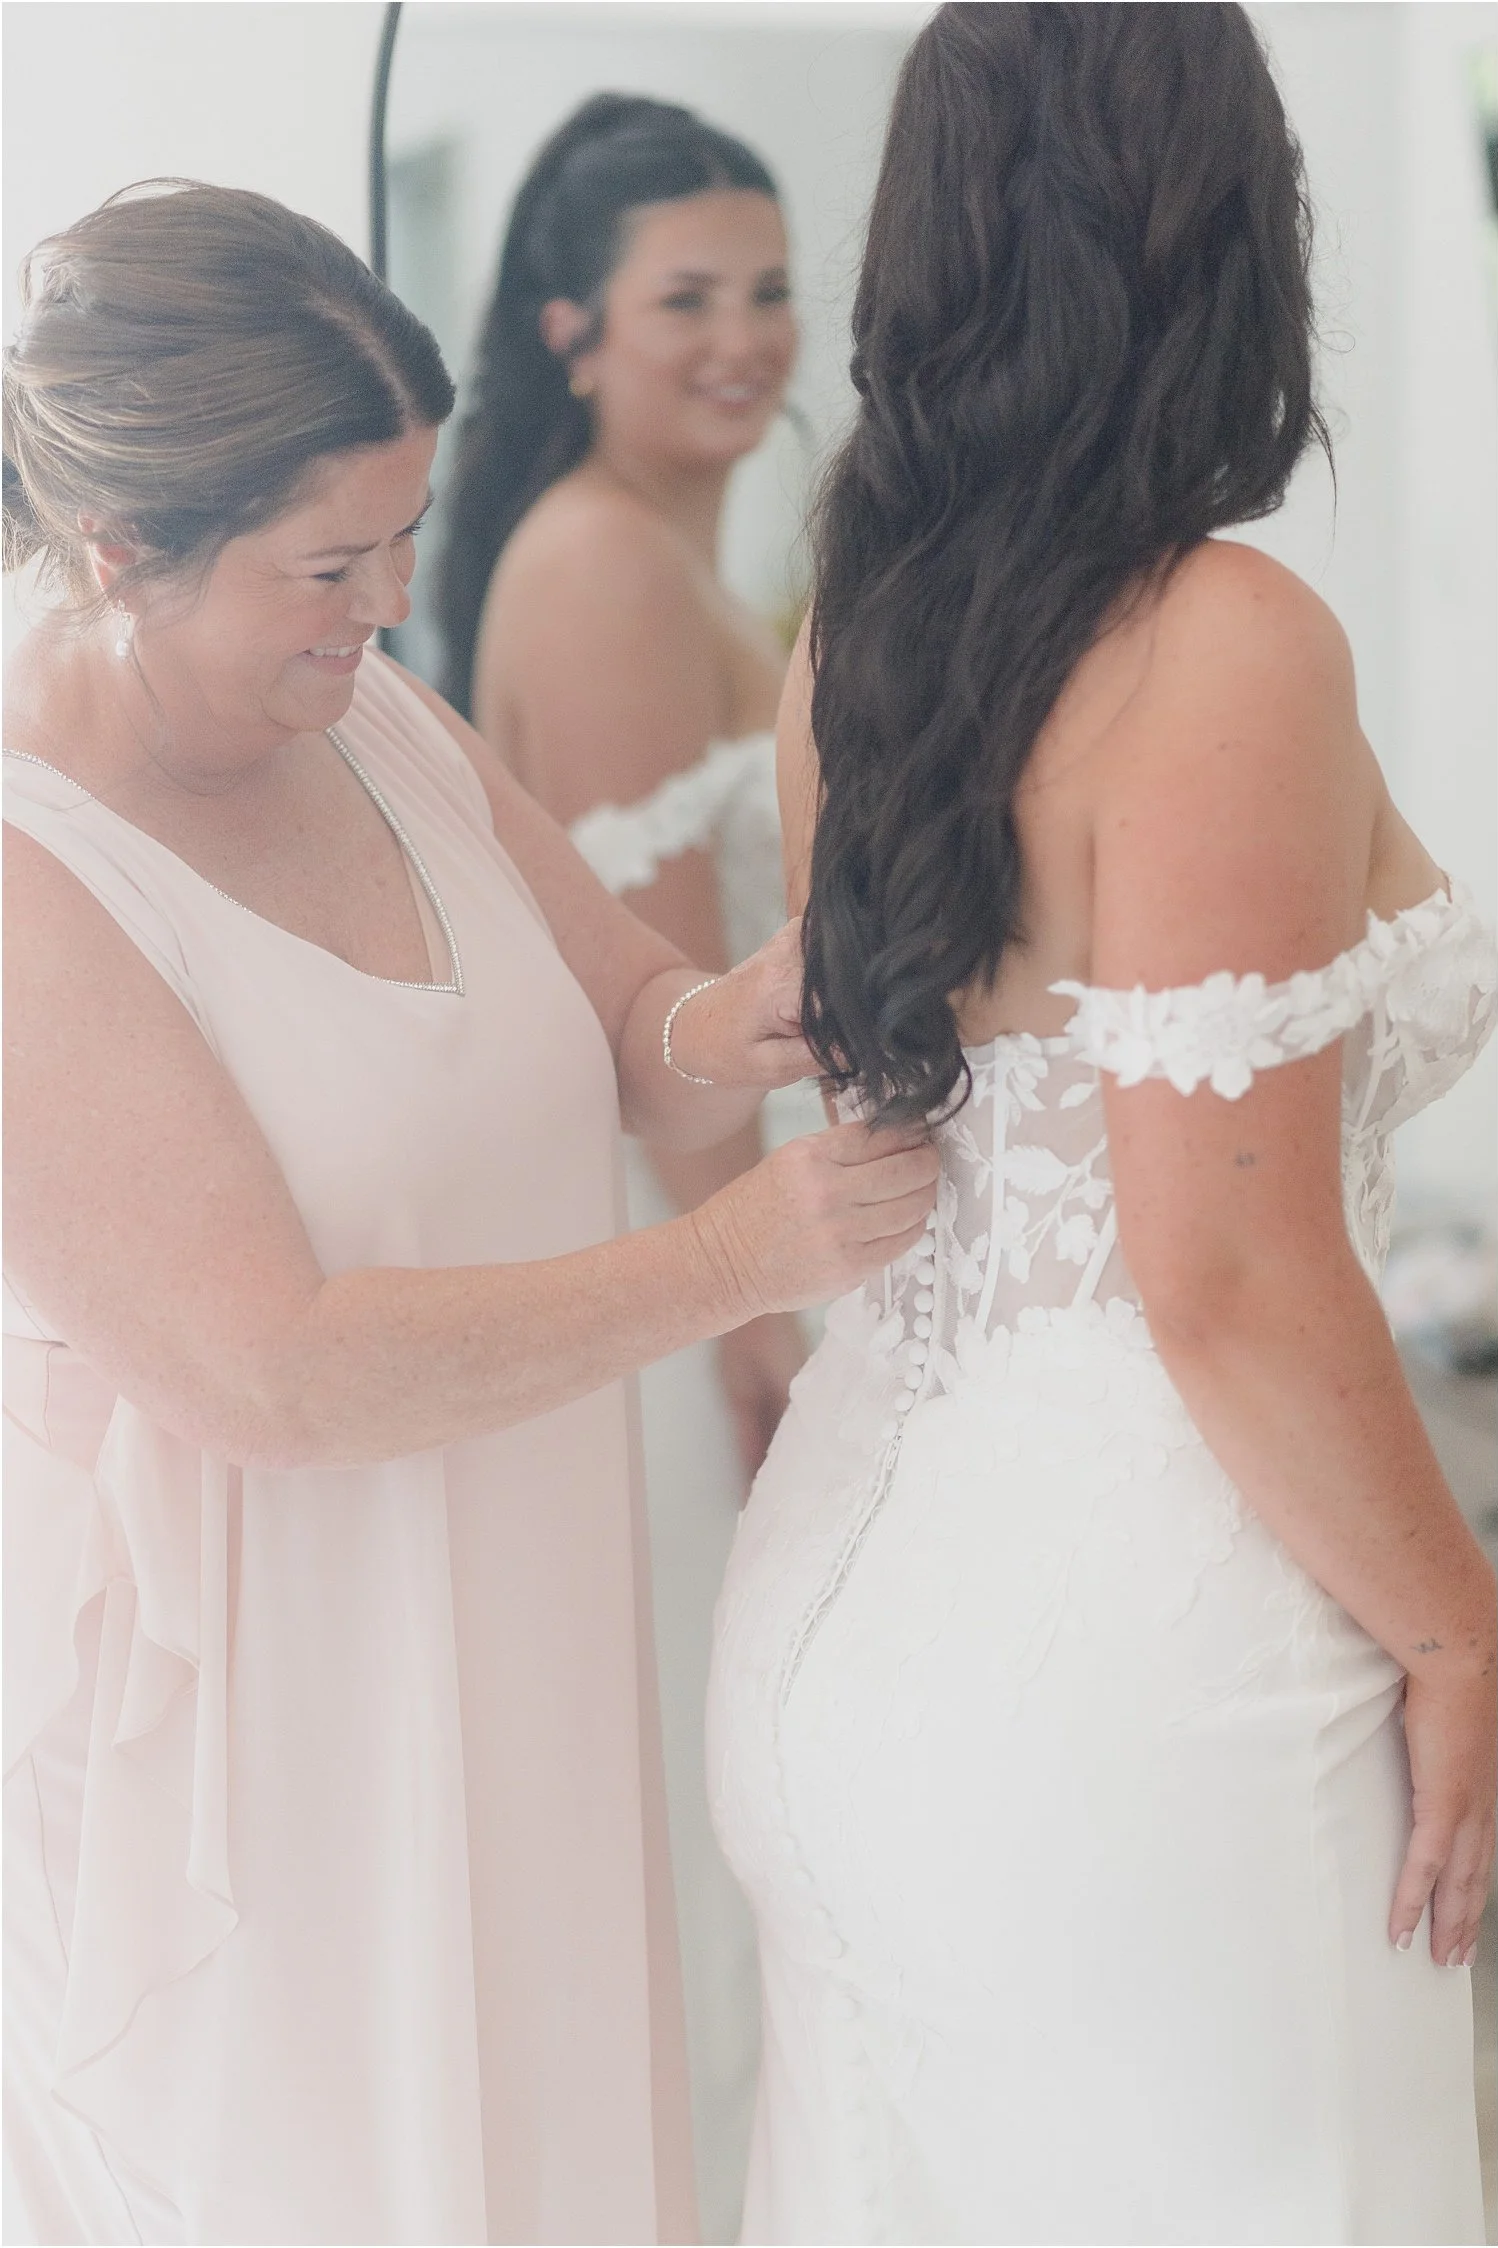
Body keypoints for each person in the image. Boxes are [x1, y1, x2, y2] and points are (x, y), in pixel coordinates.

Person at [1, 181, 939, 2248]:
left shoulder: (381, 720)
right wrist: (739, 1261)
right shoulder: (27, 875)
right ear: (118, 546)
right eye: (331, 561)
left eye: (406, 533)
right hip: (271, 1722)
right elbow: (270, 1365)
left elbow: (624, 1011)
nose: (393, 599)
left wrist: (749, 1005)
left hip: (512, 1590)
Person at [705, 7, 1498, 2241]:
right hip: (1146, 1641)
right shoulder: (1225, 640)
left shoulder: (853, 630)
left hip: (859, 1607)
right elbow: (1221, 1269)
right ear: (1228, 225)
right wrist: (1459, 1622)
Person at [436, 96, 812, 2238]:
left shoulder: (686, 551)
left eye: (769, 289)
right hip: (687, 1284)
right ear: (574, 325)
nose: (745, 338)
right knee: (691, 1844)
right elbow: (669, 1027)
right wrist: (760, 1341)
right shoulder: (593, 567)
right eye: (691, 297)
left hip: (726, 1259)